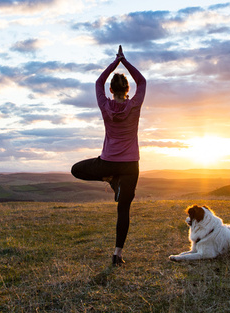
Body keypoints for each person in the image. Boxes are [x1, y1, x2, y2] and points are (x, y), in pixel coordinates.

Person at [71, 45, 146, 266]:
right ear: (128, 90)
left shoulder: (105, 105)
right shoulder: (135, 104)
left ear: (111, 91)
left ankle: (110, 179)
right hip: (131, 164)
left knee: (77, 169)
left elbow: (97, 82)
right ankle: (117, 254)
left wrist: (115, 62)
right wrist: (125, 61)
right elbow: (142, 81)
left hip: (108, 162)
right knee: (123, 209)